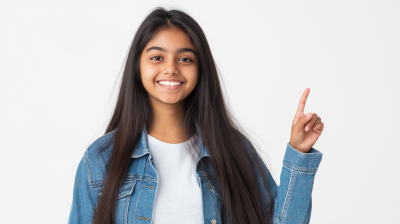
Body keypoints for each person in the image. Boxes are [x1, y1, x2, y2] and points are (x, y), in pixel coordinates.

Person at [68, 7, 324, 224]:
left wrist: (299, 154)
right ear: (138, 66)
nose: (170, 68)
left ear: (201, 69)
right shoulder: (101, 159)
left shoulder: (233, 151)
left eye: (185, 59)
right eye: (157, 57)